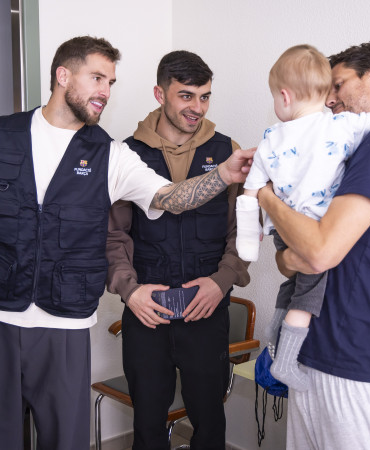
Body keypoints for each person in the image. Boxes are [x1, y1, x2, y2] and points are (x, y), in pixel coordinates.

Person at [0, 36, 253, 450]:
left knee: (66, 439)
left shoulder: (110, 154)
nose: (105, 90)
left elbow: (171, 198)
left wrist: (224, 175)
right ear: (63, 75)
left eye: (111, 82)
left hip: (64, 321)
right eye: (97, 77)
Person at [257, 41, 370, 449]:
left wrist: (265, 197)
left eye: (337, 84)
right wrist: (290, 252)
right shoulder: (340, 151)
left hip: (353, 363)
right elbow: (290, 261)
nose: (329, 99)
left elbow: (318, 253)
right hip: (313, 355)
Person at [105, 50, 250, 449]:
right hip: (146, 311)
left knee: (210, 423)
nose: (197, 108)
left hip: (207, 308)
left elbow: (243, 230)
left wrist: (222, 283)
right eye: (186, 96)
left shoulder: (227, 152)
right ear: (160, 93)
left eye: (204, 97)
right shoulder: (126, 154)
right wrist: (129, 291)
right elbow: (113, 236)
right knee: (148, 425)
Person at [235, 45, 370, 391]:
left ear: (285, 95)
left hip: (281, 231)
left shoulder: (270, 138)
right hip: (313, 228)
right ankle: (286, 363)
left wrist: (247, 242)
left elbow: (249, 194)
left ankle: (275, 343)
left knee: (291, 288)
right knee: (307, 298)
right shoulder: (340, 126)